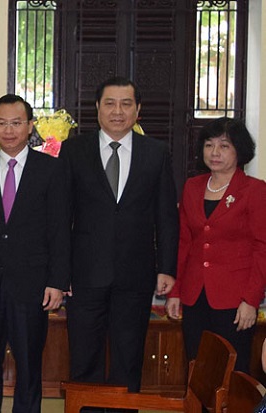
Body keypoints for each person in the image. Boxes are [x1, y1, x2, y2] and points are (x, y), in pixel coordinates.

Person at [60, 76, 179, 399]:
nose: (118, 111)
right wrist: (60, 273)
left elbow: (166, 215)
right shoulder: (73, 151)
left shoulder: (156, 153)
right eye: (110, 103)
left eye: (126, 104)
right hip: (84, 275)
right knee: (84, 360)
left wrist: (167, 267)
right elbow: (60, 217)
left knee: (128, 361)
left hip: (135, 274)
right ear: (97, 108)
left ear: (137, 110)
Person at [0, 94, 69, 413]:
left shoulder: (51, 170)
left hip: (32, 286)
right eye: (2, 123)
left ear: (30, 126)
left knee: (30, 366)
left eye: (16, 123)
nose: (9, 130)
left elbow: (60, 230)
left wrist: (57, 281)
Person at [166, 117, 266, 373]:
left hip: (235, 299)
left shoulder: (254, 190)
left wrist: (251, 300)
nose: (215, 152)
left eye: (224, 146)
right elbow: (184, 242)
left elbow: (262, 247)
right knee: (197, 370)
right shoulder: (192, 187)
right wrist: (175, 291)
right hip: (195, 294)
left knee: (230, 372)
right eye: (209, 145)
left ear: (239, 150)